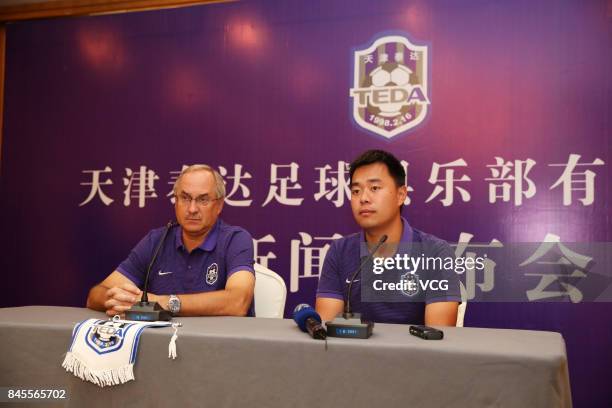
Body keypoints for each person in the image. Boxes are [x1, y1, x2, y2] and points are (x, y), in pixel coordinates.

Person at [86, 164, 255, 317]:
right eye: (185, 198)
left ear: (219, 206)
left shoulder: (235, 239)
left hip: (218, 346)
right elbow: (95, 295)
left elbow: (237, 303)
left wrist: (163, 303)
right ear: (176, 201)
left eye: (203, 200)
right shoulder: (157, 240)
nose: (192, 209)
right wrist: (120, 301)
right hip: (161, 345)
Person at [316, 150, 461, 326]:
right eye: (355, 190)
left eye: (374, 188)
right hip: (353, 353)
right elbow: (326, 332)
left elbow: (439, 336)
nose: (363, 198)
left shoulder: (435, 252)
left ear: (401, 195)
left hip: (415, 353)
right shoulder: (340, 251)